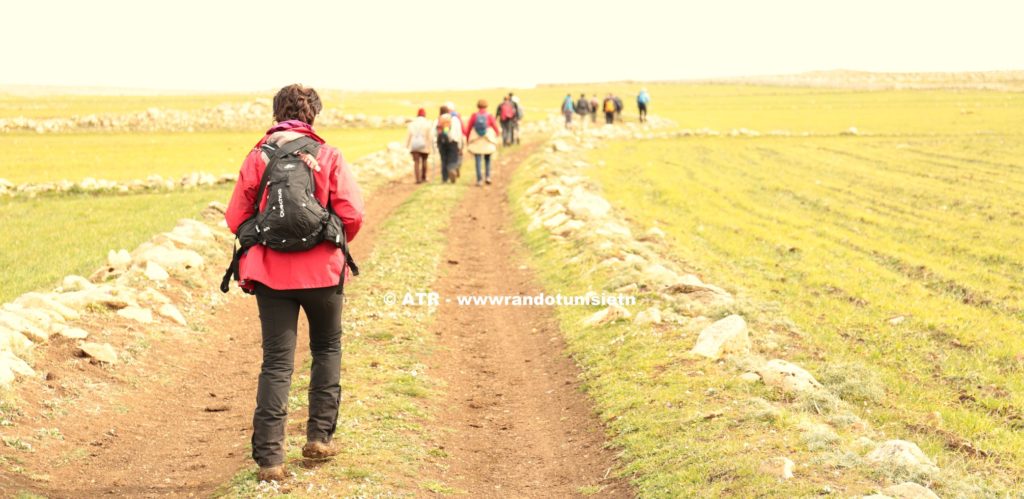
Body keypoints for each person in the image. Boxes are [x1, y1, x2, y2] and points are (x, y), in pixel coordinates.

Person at [224, 84, 364, 483]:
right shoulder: (329, 155)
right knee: (327, 347)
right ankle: (319, 437)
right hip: (322, 273)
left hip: (269, 273)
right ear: (313, 116)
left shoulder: (257, 157)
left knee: (277, 363)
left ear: (276, 114)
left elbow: (236, 216)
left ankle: (270, 460)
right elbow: (352, 213)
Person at [464, 99, 501, 186]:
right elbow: (495, 127)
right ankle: (488, 177)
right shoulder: (489, 116)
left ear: (478, 106)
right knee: (487, 159)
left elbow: (469, 128)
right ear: (486, 106)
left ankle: (479, 180)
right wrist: (497, 135)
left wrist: (467, 139)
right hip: (487, 140)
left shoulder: (474, 116)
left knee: (478, 160)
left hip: (477, 141)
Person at [434, 105, 463, 183]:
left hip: (442, 142)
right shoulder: (454, 119)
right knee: (452, 157)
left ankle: (444, 178)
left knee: (444, 159)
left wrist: (435, 144)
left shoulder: (438, 120)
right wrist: (460, 144)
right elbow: (459, 132)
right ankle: (452, 169)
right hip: (453, 141)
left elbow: (434, 132)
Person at [406, 108, 433, 183]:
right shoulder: (427, 123)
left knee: (416, 162)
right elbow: (430, 136)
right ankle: (423, 177)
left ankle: (417, 179)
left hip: (414, 145)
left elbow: (409, 135)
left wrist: (407, 145)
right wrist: (430, 146)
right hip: (424, 145)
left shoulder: (412, 123)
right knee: (424, 161)